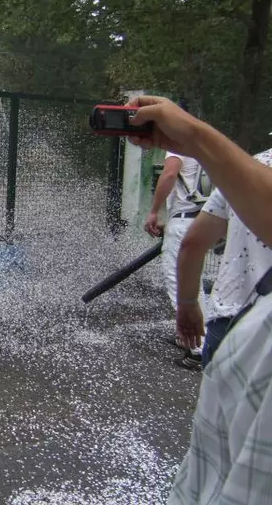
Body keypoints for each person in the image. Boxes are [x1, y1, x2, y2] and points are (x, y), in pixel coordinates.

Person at [128, 95, 272, 504]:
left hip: (236, 323)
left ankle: (191, 345)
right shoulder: (242, 165)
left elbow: (192, 241)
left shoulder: (253, 163)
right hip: (247, 323)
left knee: (219, 452)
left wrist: (189, 306)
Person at [175, 146, 272, 368]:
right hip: (264, 329)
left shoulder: (244, 169)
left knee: (218, 402)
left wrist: (187, 304)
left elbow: (192, 244)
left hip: (227, 322)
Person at [144, 115, 207, 370]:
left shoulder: (179, 146)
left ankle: (199, 349)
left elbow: (170, 174)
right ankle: (198, 338)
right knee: (196, 283)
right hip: (200, 219)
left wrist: (153, 211)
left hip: (183, 222)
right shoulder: (202, 147)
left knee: (179, 282)